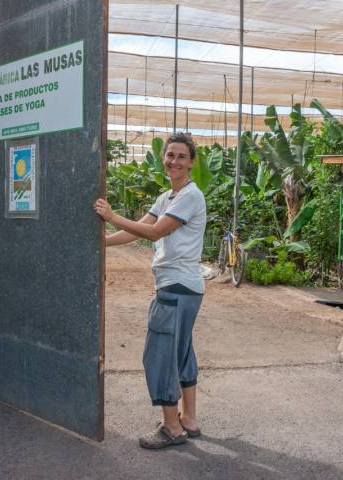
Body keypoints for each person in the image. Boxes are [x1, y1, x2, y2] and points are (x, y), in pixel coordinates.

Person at [94, 132, 206, 449]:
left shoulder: (190, 196)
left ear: (192, 162)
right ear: (163, 157)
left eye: (182, 156)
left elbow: (155, 231)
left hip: (177, 287)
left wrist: (112, 215)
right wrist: (100, 242)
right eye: (170, 155)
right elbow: (135, 232)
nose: (174, 161)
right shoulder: (167, 197)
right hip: (184, 288)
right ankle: (189, 420)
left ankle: (172, 428)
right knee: (181, 352)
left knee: (158, 356)